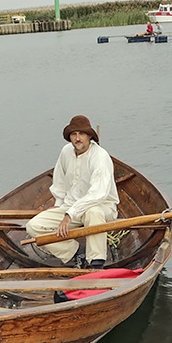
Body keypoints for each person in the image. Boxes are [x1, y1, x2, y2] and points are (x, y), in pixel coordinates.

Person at [24, 115, 119, 269]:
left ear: (89, 136)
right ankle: (75, 253)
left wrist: (70, 215)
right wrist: (59, 203)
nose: (77, 138)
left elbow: (98, 194)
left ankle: (96, 262)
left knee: (93, 212)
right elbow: (59, 182)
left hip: (102, 207)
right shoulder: (66, 152)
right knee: (34, 226)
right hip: (71, 207)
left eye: (81, 134)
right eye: (74, 134)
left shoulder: (100, 157)